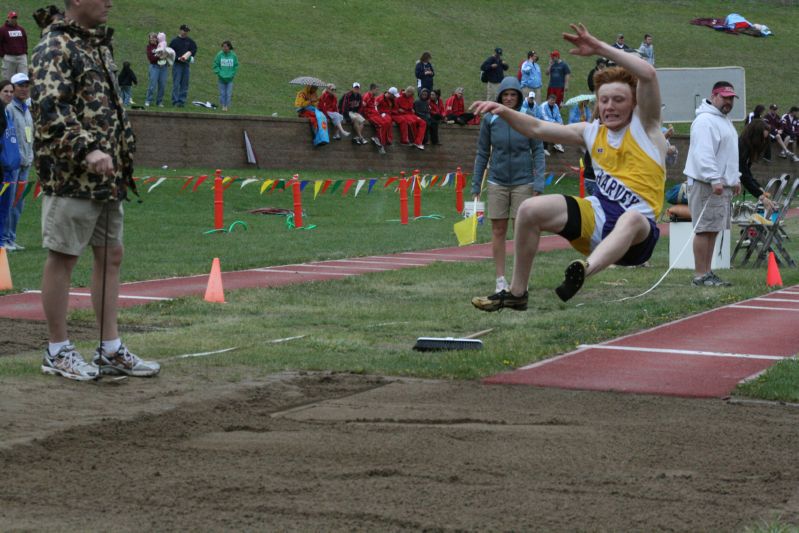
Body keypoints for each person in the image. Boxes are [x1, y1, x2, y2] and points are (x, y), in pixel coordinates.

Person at [469, 22, 667, 310]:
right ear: (597, 103)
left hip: (637, 237)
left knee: (634, 217)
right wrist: (504, 111)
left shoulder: (646, 127)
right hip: (597, 220)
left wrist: (598, 47)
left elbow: (648, 73)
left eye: (619, 100)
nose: (610, 106)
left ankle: (583, 271)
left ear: (634, 103)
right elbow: (537, 128)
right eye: (605, 100)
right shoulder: (590, 131)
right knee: (528, 210)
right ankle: (516, 293)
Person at [31, 2, 160, 380]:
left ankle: (109, 347)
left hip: (108, 177)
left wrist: (118, 152)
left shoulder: (97, 45)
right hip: (71, 175)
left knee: (111, 254)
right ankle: (57, 350)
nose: (109, 2)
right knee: (63, 255)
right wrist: (87, 148)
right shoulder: (55, 47)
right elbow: (51, 110)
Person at [473, 76, 546, 293]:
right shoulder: (490, 120)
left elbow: (538, 151)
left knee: (521, 230)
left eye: (513, 95)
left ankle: (519, 279)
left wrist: (539, 182)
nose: (509, 98)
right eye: (506, 95)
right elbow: (482, 152)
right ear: (500, 97)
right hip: (497, 181)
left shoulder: (527, 116)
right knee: (498, 229)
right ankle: (500, 280)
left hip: (524, 181)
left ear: (519, 97)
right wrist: (476, 184)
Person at [683, 82, 741, 288]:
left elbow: (729, 153)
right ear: (714, 96)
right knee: (704, 229)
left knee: (714, 229)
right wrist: (714, 178)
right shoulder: (705, 121)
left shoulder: (725, 121)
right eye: (725, 97)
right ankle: (700, 274)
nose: (728, 102)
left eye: (731, 98)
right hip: (706, 184)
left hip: (721, 184)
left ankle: (707, 271)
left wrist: (735, 178)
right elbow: (703, 153)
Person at [2, 73, 33, 252]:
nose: (24, 88)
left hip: (25, 163)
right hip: (13, 164)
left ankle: (11, 238)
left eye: (26, 85)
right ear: (13, 89)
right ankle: (4, 238)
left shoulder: (26, 109)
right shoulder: (9, 109)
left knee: (17, 204)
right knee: (8, 201)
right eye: (20, 85)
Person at [738, 120, 777, 210]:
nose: (763, 142)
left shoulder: (748, 148)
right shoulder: (741, 147)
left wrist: (759, 189)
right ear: (753, 135)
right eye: (761, 139)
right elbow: (742, 174)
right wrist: (760, 196)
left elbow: (747, 173)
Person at [0, 78, 19, 252]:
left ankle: (2, 240)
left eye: (11, 91)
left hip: (10, 168)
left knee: (5, 207)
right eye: (5, 91)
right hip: (2, 168)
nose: (9, 94)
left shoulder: (8, 112)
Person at [170, 24, 197, 108]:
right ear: (180, 30)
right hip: (177, 64)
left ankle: (181, 101)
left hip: (186, 65)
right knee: (176, 83)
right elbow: (170, 52)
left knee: (185, 84)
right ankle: (175, 101)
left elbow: (194, 48)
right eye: (184, 30)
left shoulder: (189, 41)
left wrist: (190, 56)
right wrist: (177, 58)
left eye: (187, 31)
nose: (185, 32)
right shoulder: (174, 41)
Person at [361, 83, 391, 154]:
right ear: (373, 89)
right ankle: (380, 143)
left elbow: (373, 106)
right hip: (370, 115)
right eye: (377, 90)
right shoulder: (367, 96)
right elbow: (363, 106)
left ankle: (378, 139)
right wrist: (364, 116)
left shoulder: (372, 97)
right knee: (381, 125)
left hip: (375, 114)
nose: (377, 92)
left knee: (386, 123)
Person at [144, 32, 171, 108]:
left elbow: (167, 54)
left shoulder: (161, 45)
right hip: (154, 67)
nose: (152, 39)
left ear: (157, 38)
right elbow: (151, 58)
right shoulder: (149, 47)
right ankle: (148, 100)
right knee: (152, 85)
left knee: (162, 85)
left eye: (154, 37)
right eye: (151, 38)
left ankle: (159, 102)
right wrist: (160, 57)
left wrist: (165, 56)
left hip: (163, 67)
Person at [0, 11, 27, 80]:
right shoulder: (2, 30)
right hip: (9, 58)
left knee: (23, 78)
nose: (14, 19)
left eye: (15, 18)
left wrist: (25, 52)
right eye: (12, 18)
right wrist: (3, 55)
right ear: (8, 18)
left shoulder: (21, 29)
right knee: (8, 79)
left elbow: (25, 41)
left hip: (21, 57)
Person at [213, 40, 238, 112]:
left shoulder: (233, 55)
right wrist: (219, 73)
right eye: (223, 47)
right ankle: (223, 105)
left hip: (230, 78)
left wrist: (232, 74)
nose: (224, 48)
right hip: (221, 78)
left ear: (229, 47)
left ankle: (227, 106)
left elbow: (236, 66)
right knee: (222, 93)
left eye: (226, 46)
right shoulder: (219, 55)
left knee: (228, 93)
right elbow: (215, 65)